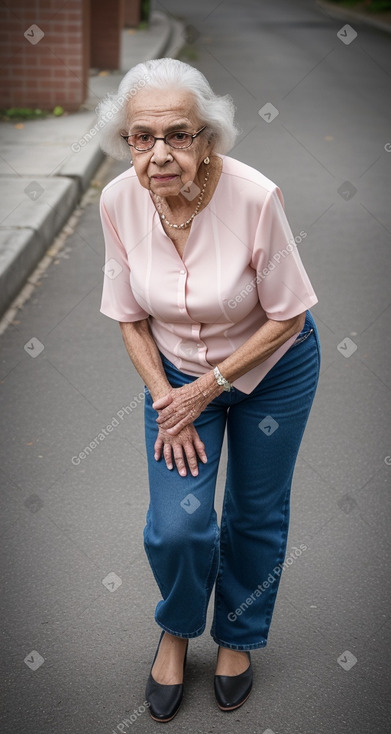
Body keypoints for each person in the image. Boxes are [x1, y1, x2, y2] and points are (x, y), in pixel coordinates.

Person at [98, 58, 320, 722]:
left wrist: (211, 388)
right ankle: (177, 624)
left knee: (254, 512)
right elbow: (128, 317)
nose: (159, 154)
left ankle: (237, 637)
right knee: (178, 527)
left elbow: (288, 314)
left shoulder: (255, 197)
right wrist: (174, 400)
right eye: (143, 137)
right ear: (127, 141)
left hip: (270, 371)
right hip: (173, 381)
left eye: (179, 134)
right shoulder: (118, 201)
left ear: (208, 138)